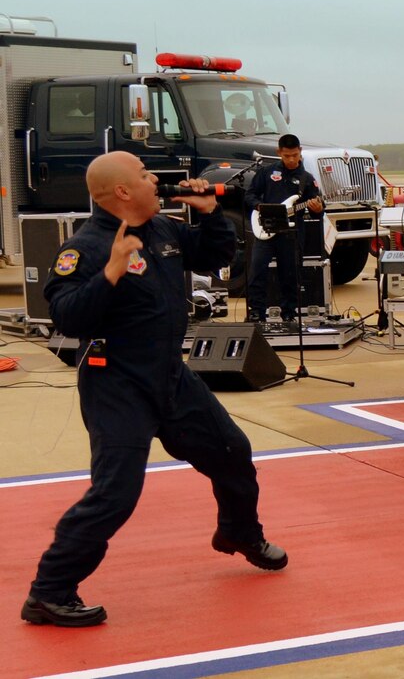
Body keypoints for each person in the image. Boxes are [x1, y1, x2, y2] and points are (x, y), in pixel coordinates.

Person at [22, 151, 286, 628]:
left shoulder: (162, 229)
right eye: (144, 175)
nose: (154, 180)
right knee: (116, 493)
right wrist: (110, 273)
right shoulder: (87, 247)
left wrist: (209, 218)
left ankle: (238, 533)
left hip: (169, 375)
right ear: (122, 191)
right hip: (116, 382)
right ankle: (49, 591)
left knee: (232, 450)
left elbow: (214, 256)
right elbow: (66, 318)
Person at [245, 133, 324, 321]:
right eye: (286, 155)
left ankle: (289, 313)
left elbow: (317, 209)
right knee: (257, 270)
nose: (291, 159)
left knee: (290, 274)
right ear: (279, 152)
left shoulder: (306, 178)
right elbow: (250, 195)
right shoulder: (266, 172)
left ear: (300, 152)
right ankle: (256, 312)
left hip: (291, 233)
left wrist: (318, 208)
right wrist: (260, 207)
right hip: (266, 228)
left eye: (295, 155)